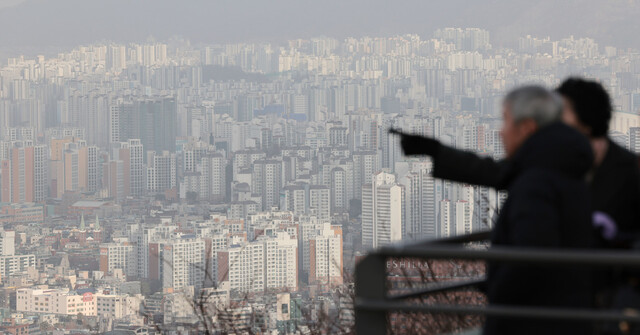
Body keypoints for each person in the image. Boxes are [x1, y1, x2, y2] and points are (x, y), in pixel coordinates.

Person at [399, 77, 640, 247]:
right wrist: (435, 151)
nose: (552, 118)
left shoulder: (631, 171)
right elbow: (495, 171)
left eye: (561, 112)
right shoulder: (548, 162)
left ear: (586, 122)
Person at [479, 86, 594, 334]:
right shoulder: (568, 169)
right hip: (568, 315)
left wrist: (498, 290)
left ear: (527, 128)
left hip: (530, 322)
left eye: (506, 120)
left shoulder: (536, 182)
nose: (501, 131)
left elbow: (532, 252)